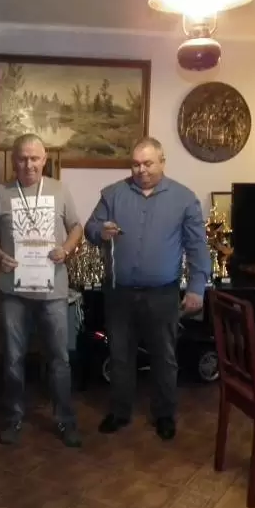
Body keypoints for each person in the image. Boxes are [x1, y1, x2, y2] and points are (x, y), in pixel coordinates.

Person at [84, 137, 210, 440]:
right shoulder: (113, 194)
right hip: (119, 293)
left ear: (162, 162)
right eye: (136, 164)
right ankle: (120, 411)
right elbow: (90, 228)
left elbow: (197, 246)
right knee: (120, 355)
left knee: (164, 357)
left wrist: (196, 288)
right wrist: (101, 230)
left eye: (148, 163)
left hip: (162, 294)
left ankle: (164, 414)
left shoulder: (183, 198)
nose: (141, 170)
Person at [0, 134, 83, 447]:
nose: (28, 164)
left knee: (59, 359)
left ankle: (65, 420)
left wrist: (65, 249)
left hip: (53, 292)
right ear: (14, 160)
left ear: (44, 160)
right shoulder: (0, 193)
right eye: (22, 158)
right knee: (13, 358)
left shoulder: (60, 189)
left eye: (34, 158)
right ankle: (14, 418)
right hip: (13, 292)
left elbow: (76, 227)